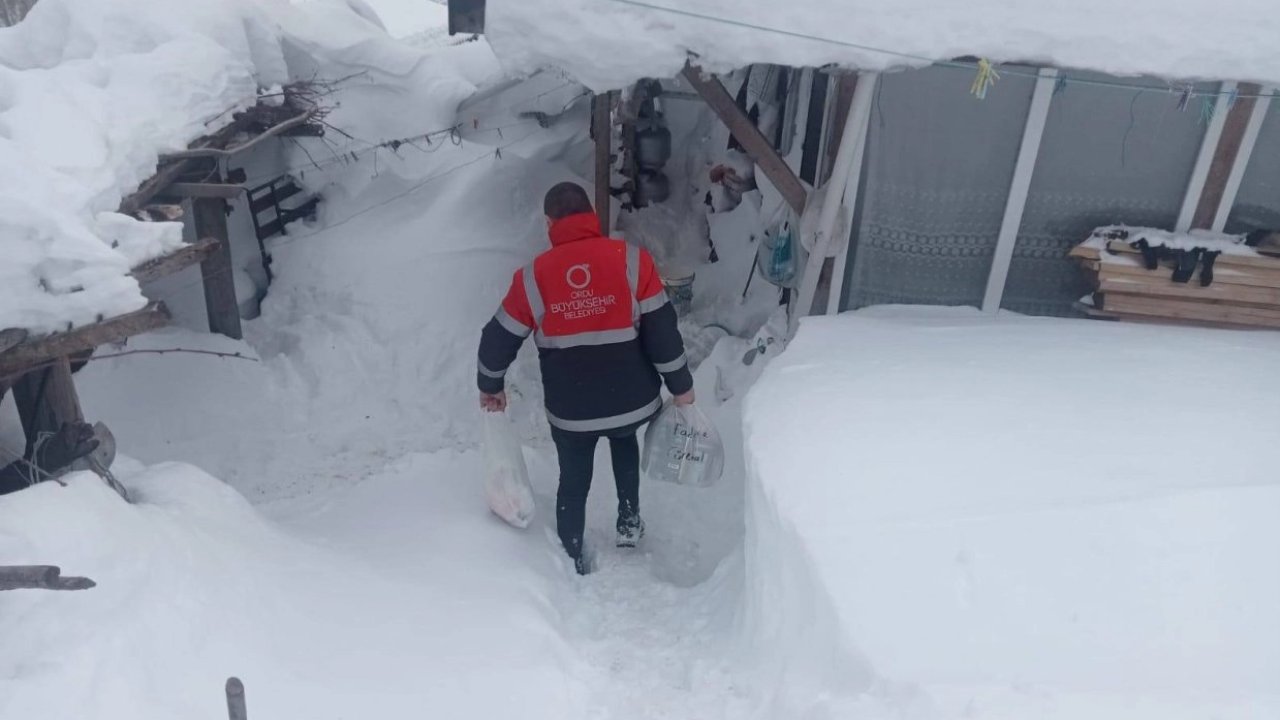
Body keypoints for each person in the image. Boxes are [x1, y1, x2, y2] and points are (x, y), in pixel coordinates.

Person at [476, 182, 695, 574]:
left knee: (574, 477)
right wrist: (681, 386)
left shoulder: (533, 277)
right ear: (591, 214)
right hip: (631, 400)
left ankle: (571, 553)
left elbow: (497, 338)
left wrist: (490, 385)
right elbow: (662, 330)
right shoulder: (632, 260)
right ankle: (629, 521)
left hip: (571, 409)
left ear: (549, 222)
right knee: (623, 439)